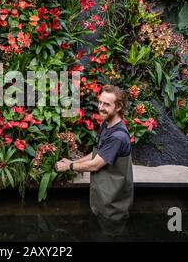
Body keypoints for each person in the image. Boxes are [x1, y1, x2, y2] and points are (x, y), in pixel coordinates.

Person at [55, 85, 133, 236]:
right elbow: (97, 154)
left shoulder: (118, 136)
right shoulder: (107, 124)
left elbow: (95, 165)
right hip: (101, 201)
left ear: (119, 107)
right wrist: (73, 161)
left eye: (106, 104)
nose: (101, 107)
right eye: (100, 102)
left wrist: (69, 166)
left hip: (113, 208)